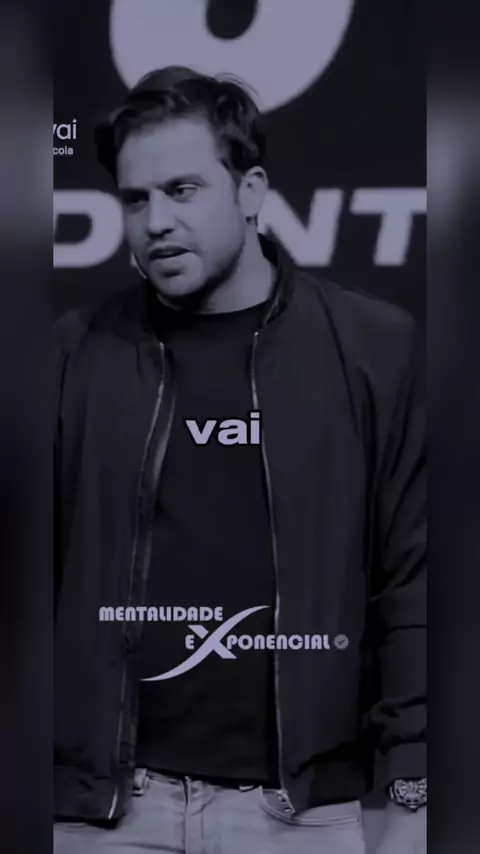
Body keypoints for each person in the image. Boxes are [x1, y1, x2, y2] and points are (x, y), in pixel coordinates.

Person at [54, 66, 426, 854]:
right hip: (103, 813)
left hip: (303, 816)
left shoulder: (373, 349)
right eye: (135, 199)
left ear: (250, 191)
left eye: (182, 190)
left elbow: (415, 580)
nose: (156, 221)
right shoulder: (68, 355)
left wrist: (415, 790)